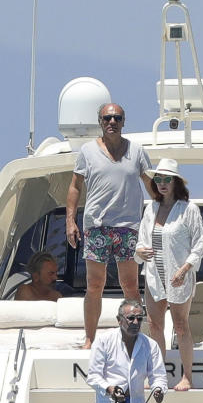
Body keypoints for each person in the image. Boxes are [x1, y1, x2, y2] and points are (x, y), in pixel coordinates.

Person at [66, 103, 157, 348]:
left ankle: (135, 336)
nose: (112, 122)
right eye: (107, 118)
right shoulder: (87, 151)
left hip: (128, 227)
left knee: (130, 285)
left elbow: (151, 184)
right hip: (97, 225)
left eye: (117, 118)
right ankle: (89, 338)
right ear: (100, 121)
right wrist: (70, 220)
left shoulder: (137, 151)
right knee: (95, 285)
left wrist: (165, 208)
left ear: (124, 121)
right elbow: (75, 186)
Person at [134, 159, 203, 392]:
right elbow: (141, 242)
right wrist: (139, 252)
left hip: (179, 275)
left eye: (167, 179)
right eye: (158, 179)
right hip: (155, 275)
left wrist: (185, 270)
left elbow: (199, 246)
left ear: (176, 182)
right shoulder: (150, 209)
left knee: (181, 325)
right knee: (154, 325)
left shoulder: (189, 209)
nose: (162, 184)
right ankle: (157, 376)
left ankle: (187, 378)